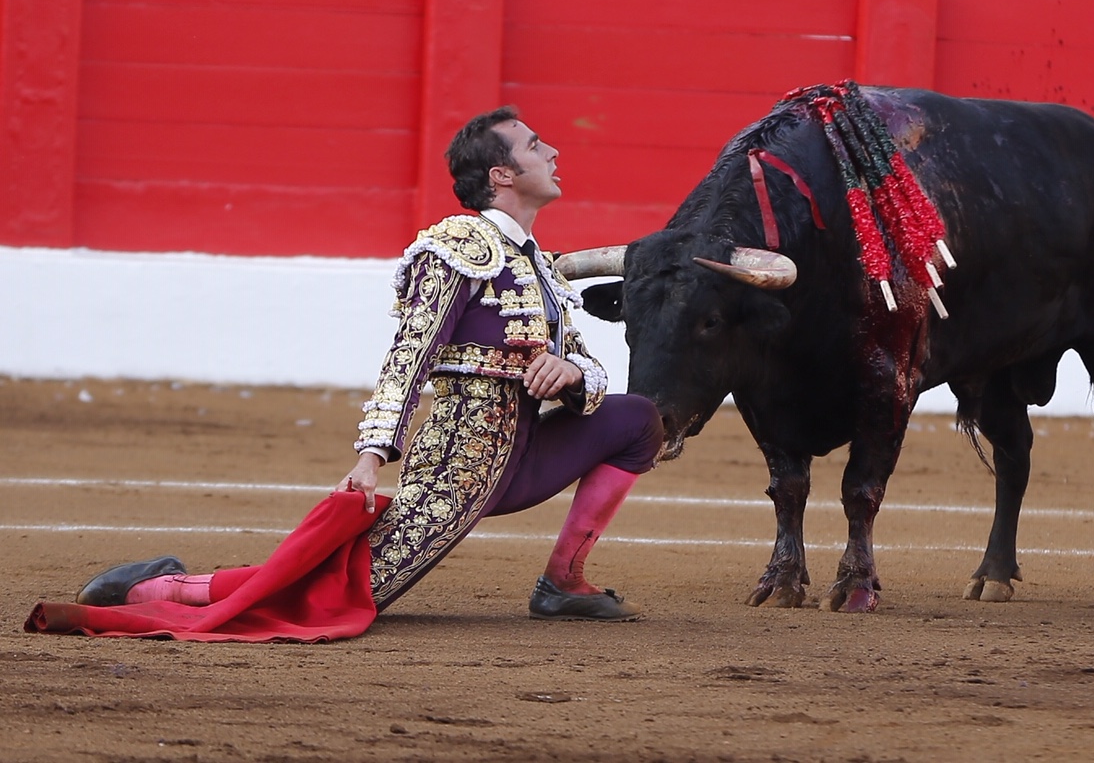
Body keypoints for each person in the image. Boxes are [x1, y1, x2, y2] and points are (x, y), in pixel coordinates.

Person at [70, 107, 664, 625]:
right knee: (340, 594)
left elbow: (587, 364)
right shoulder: (461, 245)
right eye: (536, 145)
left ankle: (563, 584)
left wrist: (574, 374)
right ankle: (162, 584)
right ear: (501, 175)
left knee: (637, 419)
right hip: (462, 460)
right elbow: (412, 352)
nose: (554, 151)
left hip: (528, 451)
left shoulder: (539, 266)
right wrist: (372, 455)